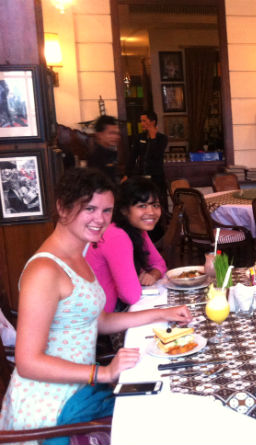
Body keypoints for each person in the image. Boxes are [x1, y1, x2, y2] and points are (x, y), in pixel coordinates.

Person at [0, 168, 191, 432]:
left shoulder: (79, 255)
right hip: (51, 408)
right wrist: (103, 373)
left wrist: (162, 313)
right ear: (62, 208)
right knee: (164, 419)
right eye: (89, 209)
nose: (100, 219)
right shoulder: (44, 270)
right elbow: (28, 362)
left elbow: (99, 321)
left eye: (106, 210)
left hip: (81, 390)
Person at [86, 176, 166, 313]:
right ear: (124, 210)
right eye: (142, 206)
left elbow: (160, 264)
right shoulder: (116, 235)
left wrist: (153, 275)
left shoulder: (136, 229)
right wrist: (138, 277)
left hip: (112, 310)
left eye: (155, 205)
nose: (151, 212)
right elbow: (130, 296)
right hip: (104, 316)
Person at [88, 115, 121, 184]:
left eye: (117, 133)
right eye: (112, 133)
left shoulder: (111, 152)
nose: (116, 137)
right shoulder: (96, 156)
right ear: (99, 134)